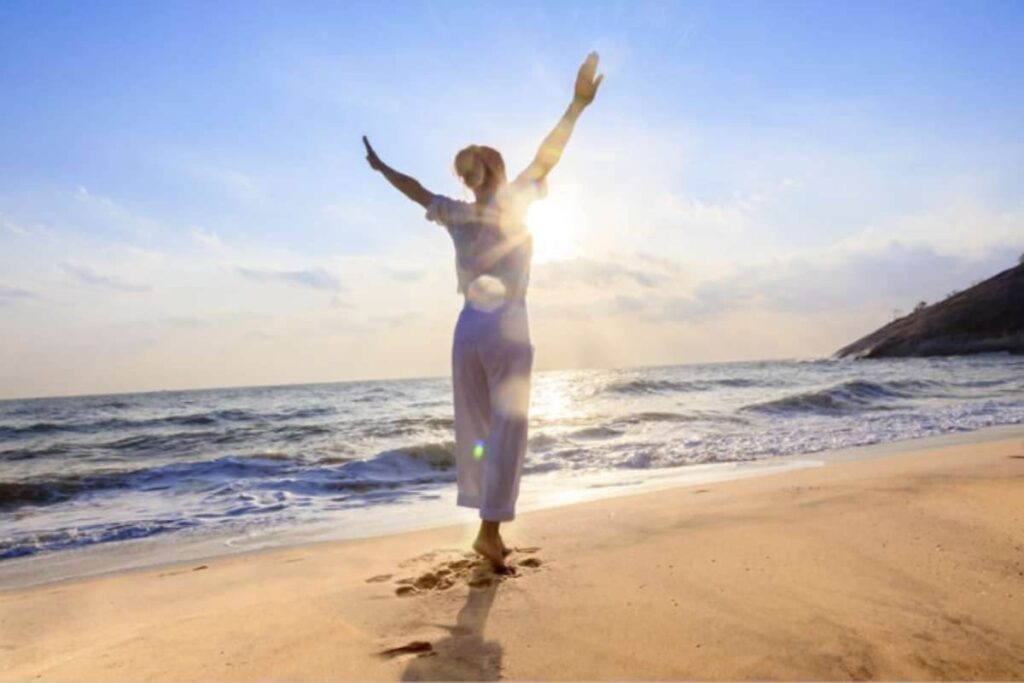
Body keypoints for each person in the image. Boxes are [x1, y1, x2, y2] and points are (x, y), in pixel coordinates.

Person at [363, 52, 603, 569]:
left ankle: (485, 526)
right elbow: (549, 154)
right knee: (509, 428)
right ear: (496, 170)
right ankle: (489, 532)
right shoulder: (513, 200)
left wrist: (381, 167)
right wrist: (578, 105)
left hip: (467, 326)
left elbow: (414, 190)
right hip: (508, 323)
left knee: (476, 429)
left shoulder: (456, 212)